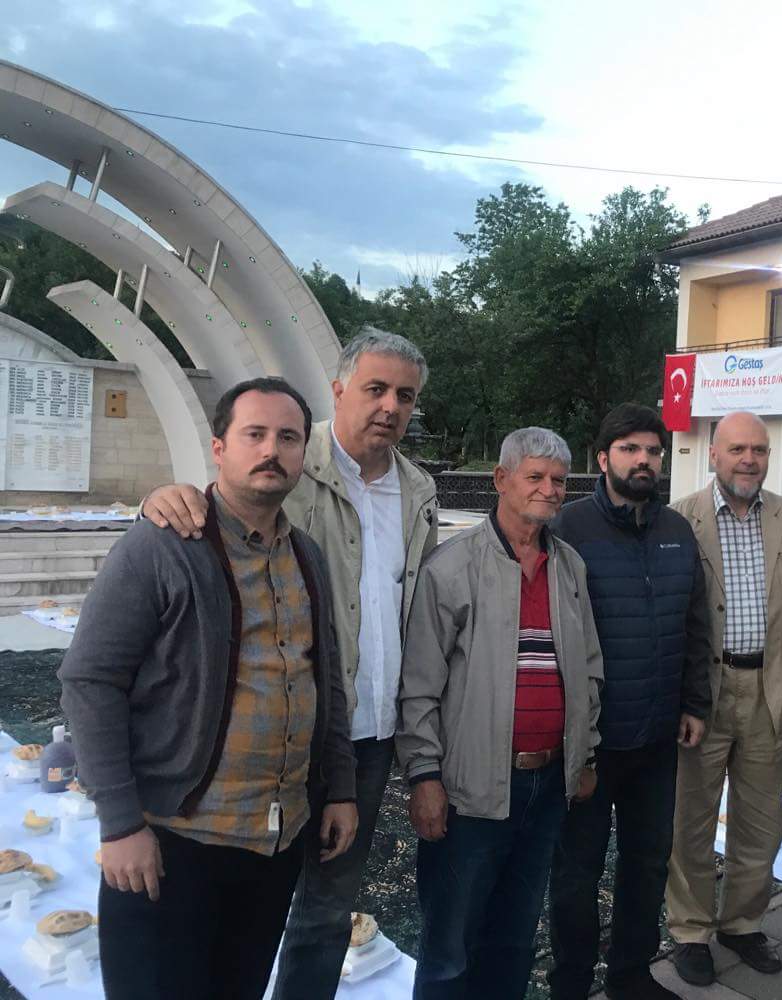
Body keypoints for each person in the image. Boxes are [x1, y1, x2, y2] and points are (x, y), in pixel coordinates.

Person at [141, 328, 439, 999]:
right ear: (338, 390)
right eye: (375, 389)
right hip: (272, 732)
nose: (390, 406)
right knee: (239, 904)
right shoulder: (293, 464)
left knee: (327, 912)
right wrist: (160, 499)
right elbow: (212, 507)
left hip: (366, 736)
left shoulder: (417, 490)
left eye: (405, 396)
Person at [59, 378, 358, 1000]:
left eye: (288, 437)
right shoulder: (161, 546)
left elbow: (323, 679)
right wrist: (120, 825)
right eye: (255, 434)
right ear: (219, 447)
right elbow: (91, 680)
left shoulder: (306, 556)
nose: (271, 450)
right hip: (172, 843)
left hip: (272, 844)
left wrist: (340, 788)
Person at [398, 427, 603, 1000]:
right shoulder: (451, 567)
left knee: (514, 939)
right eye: (535, 476)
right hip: (472, 788)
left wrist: (585, 754)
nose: (549, 490)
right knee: (450, 948)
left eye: (558, 480)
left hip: (547, 784)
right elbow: (419, 686)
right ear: (501, 479)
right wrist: (424, 776)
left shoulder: (570, 567)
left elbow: (588, 667)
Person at [546, 403, 712, 1000]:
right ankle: (570, 983)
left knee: (647, 863)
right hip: (591, 742)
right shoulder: (568, 528)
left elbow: (696, 623)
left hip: (657, 737)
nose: (644, 460)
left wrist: (695, 703)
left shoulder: (676, 532)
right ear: (603, 458)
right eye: (630, 449)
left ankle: (631, 976)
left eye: (653, 451)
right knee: (577, 872)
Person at [666, 410, 782, 987]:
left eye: (758, 450)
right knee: (691, 820)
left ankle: (742, 923)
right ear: (714, 454)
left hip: (769, 690)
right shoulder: (681, 519)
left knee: (760, 821)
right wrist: (677, 698)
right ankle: (691, 929)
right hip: (703, 697)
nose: (749, 460)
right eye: (737, 449)